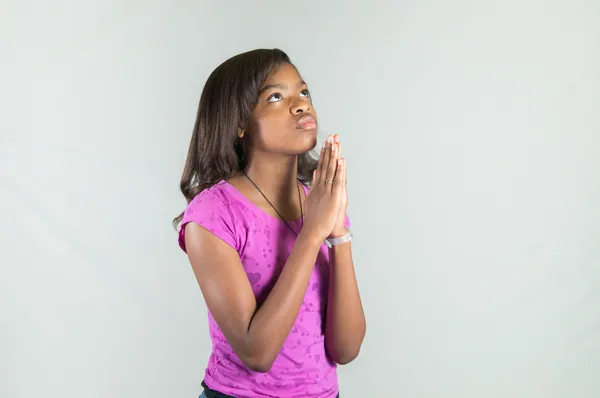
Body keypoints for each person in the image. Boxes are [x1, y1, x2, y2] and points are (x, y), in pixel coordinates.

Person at [174, 48, 366, 398]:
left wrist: (338, 235)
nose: (301, 105)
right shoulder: (213, 213)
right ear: (240, 123)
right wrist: (312, 234)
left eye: (303, 92)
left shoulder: (319, 201)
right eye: (276, 97)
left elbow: (346, 349)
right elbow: (257, 352)